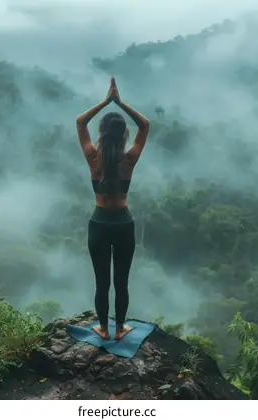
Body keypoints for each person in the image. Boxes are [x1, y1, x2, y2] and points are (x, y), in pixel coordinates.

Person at [76, 77, 150, 340]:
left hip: (99, 224)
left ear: (102, 133)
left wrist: (106, 101)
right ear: (124, 134)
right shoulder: (129, 159)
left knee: (102, 282)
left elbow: (80, 122)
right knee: (121, 281)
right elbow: (145, 124)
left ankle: (104, 329)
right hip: (123, 224)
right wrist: (121, 102)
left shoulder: (92, 158)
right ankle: (120, 329)